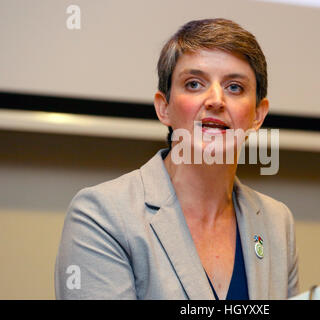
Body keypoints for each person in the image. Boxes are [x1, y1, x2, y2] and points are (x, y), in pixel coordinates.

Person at [55, 18, 299, 300]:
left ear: (258, 114)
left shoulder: (277, 222)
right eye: (194, 84)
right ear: (164, 108)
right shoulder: (102, 216)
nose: (216, 100)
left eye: (234, 87)